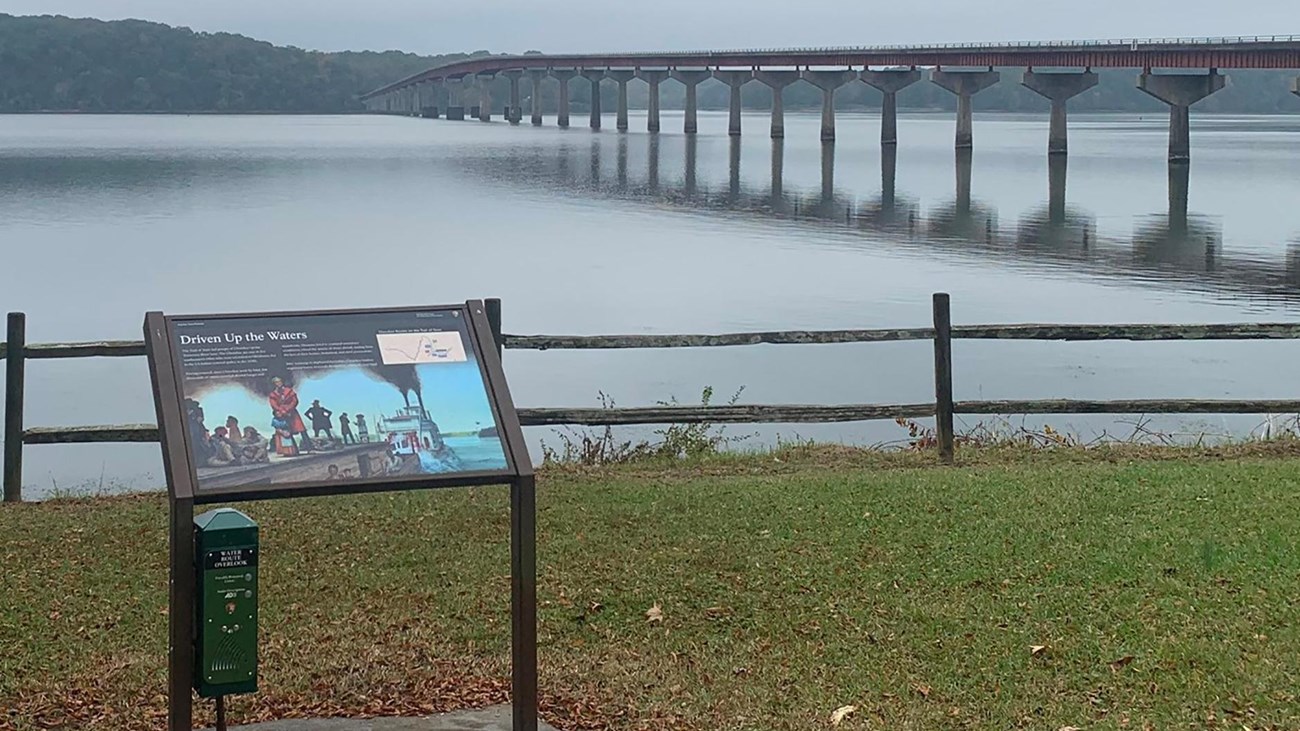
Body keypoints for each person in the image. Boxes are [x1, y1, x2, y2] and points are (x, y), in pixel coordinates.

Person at [268, 376, 308, 455]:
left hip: (292, 413)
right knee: (287, 432)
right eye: (276, 382)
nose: (278, 383)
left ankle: (309, 448)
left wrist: (288, 409)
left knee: (302, 430)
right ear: (274, 384)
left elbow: (294, 401)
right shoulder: (273, 394)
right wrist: (282, 411)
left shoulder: (289, 391)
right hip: (282, 415)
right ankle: (293, 450)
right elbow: (273, 405)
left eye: (279, 381)